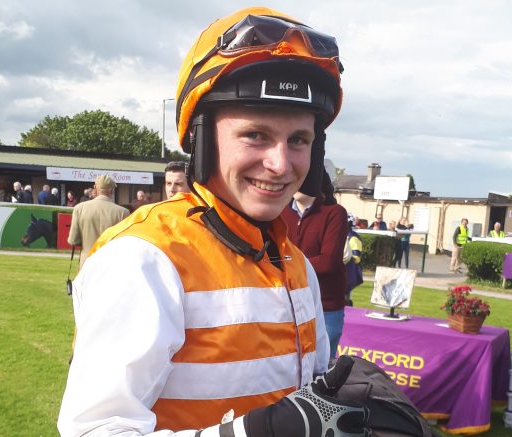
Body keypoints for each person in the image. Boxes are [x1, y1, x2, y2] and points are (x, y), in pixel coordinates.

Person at [58, 7, 372, 436]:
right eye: (256, 135)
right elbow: (93, 431)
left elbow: (301, 400)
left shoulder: (294, 262)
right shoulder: (143, 260)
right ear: (201, 138)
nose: (281, 164)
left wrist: (333, 402)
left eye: (299, 140)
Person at [282, 175, 349, 360]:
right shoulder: (281, 213)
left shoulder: (334, 213)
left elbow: (328, 262)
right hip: (287, 304)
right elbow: (270, 255)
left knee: (322, 366)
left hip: (326, 306)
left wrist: (285, 262)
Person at [67, 175, 130, 269]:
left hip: (86, 264)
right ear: (112, 191)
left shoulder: (79, 209)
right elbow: (125, 244)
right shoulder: (123, 212)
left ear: (95, 188)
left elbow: (73, 240)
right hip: (111, 265)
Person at [345, 213, 363, 307]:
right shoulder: (342, 234)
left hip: (350, 269)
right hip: (343, 268)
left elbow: (356, 256)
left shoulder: (353, 236)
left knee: (346, 293)